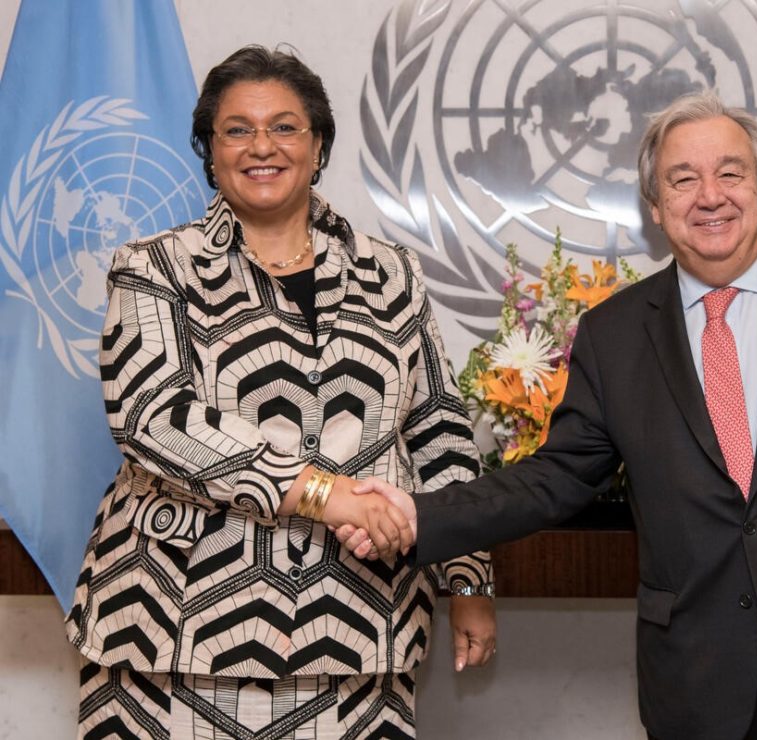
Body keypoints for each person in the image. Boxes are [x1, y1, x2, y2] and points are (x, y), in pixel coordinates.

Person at [339, 90, 757, 739]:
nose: (710, 195)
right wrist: (418, 515)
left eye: (730, 172)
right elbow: (554, 479)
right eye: (682, 179)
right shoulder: (614, 335)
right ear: (657, 209)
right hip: (698, 686)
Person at [66, 45, 495, 739]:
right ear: (209, 149)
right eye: (236, 129)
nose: (261, 146)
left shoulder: (393, 274)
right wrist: (332, 493)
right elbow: (156, 420)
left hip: (359, 631)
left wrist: (468, 581)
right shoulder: (153, 268)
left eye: (285, 127)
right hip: (171, 639)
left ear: (318, 144)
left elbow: (439, 432)